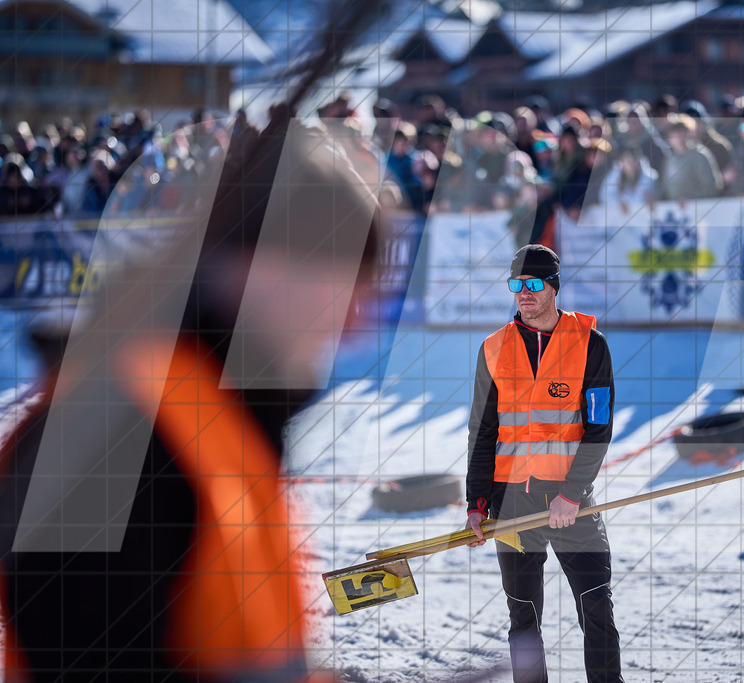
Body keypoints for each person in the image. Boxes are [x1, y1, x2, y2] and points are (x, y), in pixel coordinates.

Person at [0, 1, 385, 679]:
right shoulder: (120, 433)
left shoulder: (222, 415)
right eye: (345, 284)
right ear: (259, 263)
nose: (356, 323)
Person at [466, 244, 623, 683]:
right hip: (511, 505)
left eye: (533, 284)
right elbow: (482, 433)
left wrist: (571, 494)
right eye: (516, 284)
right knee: (523, 616)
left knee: (596, 604)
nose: (524, 293)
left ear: (554, 286)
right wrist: (477, 503)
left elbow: (599, 429)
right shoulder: (493, 348)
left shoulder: (590, 344)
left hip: (572, 502)